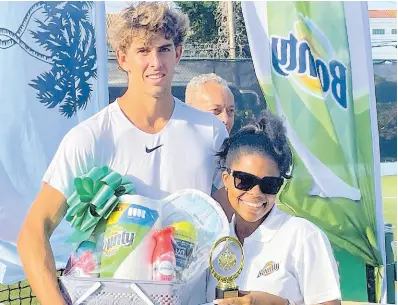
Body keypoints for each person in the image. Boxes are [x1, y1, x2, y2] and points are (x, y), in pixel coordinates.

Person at [17, 3, 232, 305]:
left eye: (164, 49)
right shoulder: (90, 137)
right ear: (122, 58)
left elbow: (232, 224)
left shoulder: (210, 131)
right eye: (143, 50)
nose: (155, 62)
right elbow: (32, 232)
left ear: (179, 53)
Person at [206, 110, 341, 305]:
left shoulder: (302, 236)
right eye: (244, 180)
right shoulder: (215, 240)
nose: (256, 192)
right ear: (226, 180)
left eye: (269, 184)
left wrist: (279, 304)